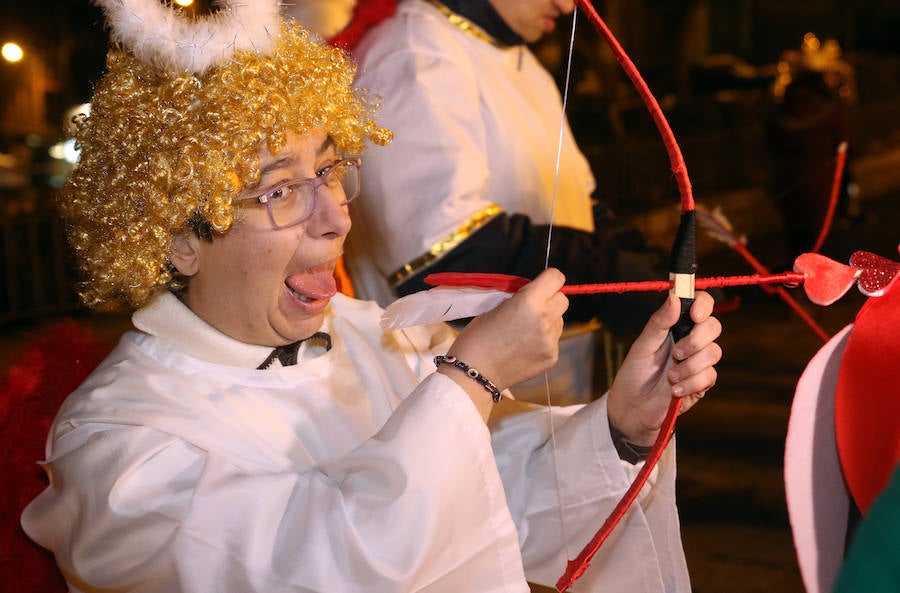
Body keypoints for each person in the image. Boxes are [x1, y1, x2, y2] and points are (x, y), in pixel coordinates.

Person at [20, 3, 722, 592]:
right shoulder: (118, 448)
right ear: (179, 236)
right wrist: (469, 378)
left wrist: (623, 426)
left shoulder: (379, 334)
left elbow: (499, 491)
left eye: (330, 171)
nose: (336, 217)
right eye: (280, 189)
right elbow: (323, 563)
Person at [343, 0, 667, 337]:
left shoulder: (520, 59)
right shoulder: (413, 53)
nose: (565, 7)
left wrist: (661, 272)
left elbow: (574, 208)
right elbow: (445, 261)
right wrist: (610, 277)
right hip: (443, 377)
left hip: (542, 378)